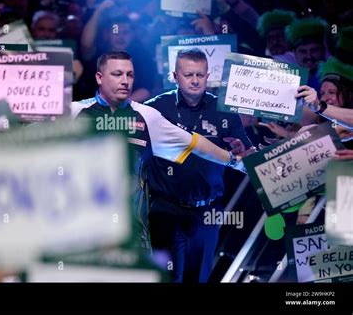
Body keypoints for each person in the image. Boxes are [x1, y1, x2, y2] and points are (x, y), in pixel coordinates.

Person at [71, 51, 247, 249]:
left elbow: (194, 144)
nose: (125, 81)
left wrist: (236, 161)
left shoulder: (148, 117)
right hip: (80, 229)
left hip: (133, 233)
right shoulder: (72, 113)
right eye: (117, 74)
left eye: (130, 75)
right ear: (99, 77)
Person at [143, 49, 253, 283]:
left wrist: (242, 150)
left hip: (207, 211)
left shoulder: (225, 109)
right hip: (164, 208)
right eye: (188, 74)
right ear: (175, 75)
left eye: (200, 75)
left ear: (208, 75)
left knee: (198, 278)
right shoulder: (155, 108)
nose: (195, 80)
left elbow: (245, 154)